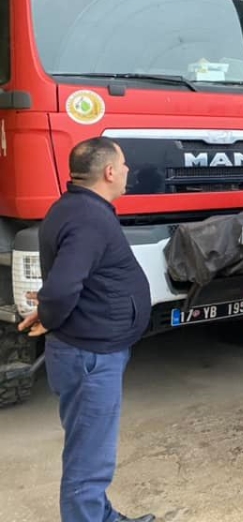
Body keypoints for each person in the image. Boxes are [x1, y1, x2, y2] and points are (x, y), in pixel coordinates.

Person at [17, 137, 155, 522]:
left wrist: (50, 311)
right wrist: (50, 313)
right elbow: (62, 288)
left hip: (89, 351)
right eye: (123, 165)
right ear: (109, 172)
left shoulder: (76, 208)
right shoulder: (88, 218)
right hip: (90, 358)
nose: (127, 171)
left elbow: (71, 279)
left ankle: (102, 516)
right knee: (88, 462)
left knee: (90, 450)